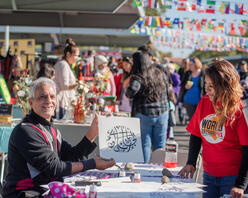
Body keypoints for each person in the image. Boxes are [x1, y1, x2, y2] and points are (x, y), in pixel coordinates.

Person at [3, 77, 115, 198]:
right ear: (31, 102)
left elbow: (72, 157)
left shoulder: (50, 128)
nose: (48, 101)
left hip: (43, 190)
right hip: (24, 193)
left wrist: (92, 134)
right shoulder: (25, 131)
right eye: (42, 97)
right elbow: (54, 168)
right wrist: (93, 164)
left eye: (52, 97)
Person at [179, 60, 248, 198]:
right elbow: (196, 134)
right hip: (209, 175)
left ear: (225, 86)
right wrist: (191, 162)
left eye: (211, 86)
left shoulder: (239, 109)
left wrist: (240, 185)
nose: (207, 90)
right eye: (206, 85)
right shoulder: (205, 101)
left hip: (232, 178)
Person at [126, 51, 169, 163]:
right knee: (160, 145)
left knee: (145, 145)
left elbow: (130, 93)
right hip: (162, 113)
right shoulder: (159, 72)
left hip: (144, 114)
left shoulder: (138, 77)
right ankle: (159, 170)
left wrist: (127, 84)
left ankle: (144, 170)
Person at [54, 38, 78, 119]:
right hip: (60, 102)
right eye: (76, 55)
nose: (77, 58)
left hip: (63, 102)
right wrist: (78, 85)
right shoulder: (63, 65)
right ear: (68, 54)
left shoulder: (65, 64)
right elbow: (64, 86)